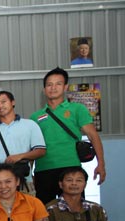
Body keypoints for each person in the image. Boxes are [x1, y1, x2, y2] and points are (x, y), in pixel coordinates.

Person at [31, 67, 106, 204]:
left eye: (58, 84)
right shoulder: (35, 117)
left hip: (71, 168)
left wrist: (101, 164)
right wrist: (31, 175)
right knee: (44, 214)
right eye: (49, 84)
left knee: (76, 211)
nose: (53, 88)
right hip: (43, 170)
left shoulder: (77, 109)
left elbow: (93, 136)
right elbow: (31, 147)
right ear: (44, 89)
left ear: (65, 87)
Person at [0, 91, 46, 197]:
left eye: (3, 102)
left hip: (24, 181)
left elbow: (41, 151)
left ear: (13, 102)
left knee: (26, 211)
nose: (0, 106)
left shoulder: (30, 125)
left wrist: (20, 156)